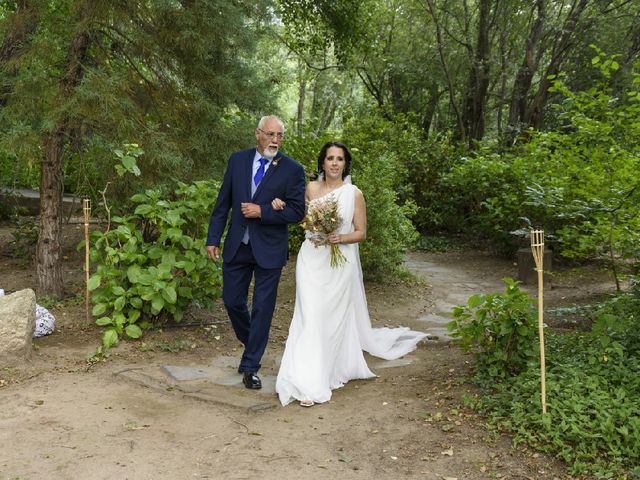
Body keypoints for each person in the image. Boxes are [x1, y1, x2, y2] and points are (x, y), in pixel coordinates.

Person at [275, 141, 428, 407]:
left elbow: (361, 232)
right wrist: (280, 206)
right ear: (322, 162)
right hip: (311, 258)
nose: (334, 163)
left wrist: (340, 236)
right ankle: (305, 379)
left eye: (340, 159)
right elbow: (299, 217)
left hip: (339, 262)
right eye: (330, 158)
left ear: (346, 164)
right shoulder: (310, 188)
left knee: (329, 319)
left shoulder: (354, 193)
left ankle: (325, 372)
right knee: (309, 316)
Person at [206, 116, 306, 390]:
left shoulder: (292, 170)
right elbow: (222, 203)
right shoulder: (237, 161)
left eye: (280, 135)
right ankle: (254, 342)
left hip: (270, 250)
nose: (275, 139)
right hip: (237, 245)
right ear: (257, 134)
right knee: (231, 300)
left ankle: (251, 366)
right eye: (270, 134)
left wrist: (262, 211)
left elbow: (298, 212)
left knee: (263, 308)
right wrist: (213, 238)